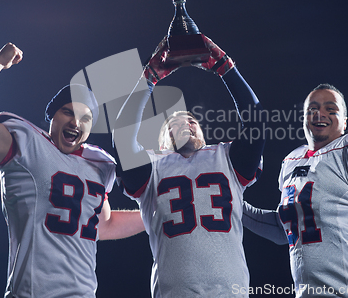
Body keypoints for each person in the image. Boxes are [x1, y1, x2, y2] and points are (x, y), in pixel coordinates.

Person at [0, 43, 145, 298]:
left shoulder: (99, 164)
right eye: (68, 112)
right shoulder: (25, 142)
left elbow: (105, 224)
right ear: (52, 116)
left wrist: (155, 214)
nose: (76, 122)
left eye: (85, 118)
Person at [112, 36, 265, 298]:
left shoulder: (224, 156)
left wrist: (226, 68)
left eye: (192, 121)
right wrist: (148, 78)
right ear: (161, 141)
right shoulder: (153, 166)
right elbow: (123, 137)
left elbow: (255, 122)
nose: (186, 123)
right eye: (175, 123)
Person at [242, 84, 348, 298]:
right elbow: (287, 231)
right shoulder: (291, 162)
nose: (320, 114)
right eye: (312, 109)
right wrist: (237, 205)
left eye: (331, 109)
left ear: (344, 121)